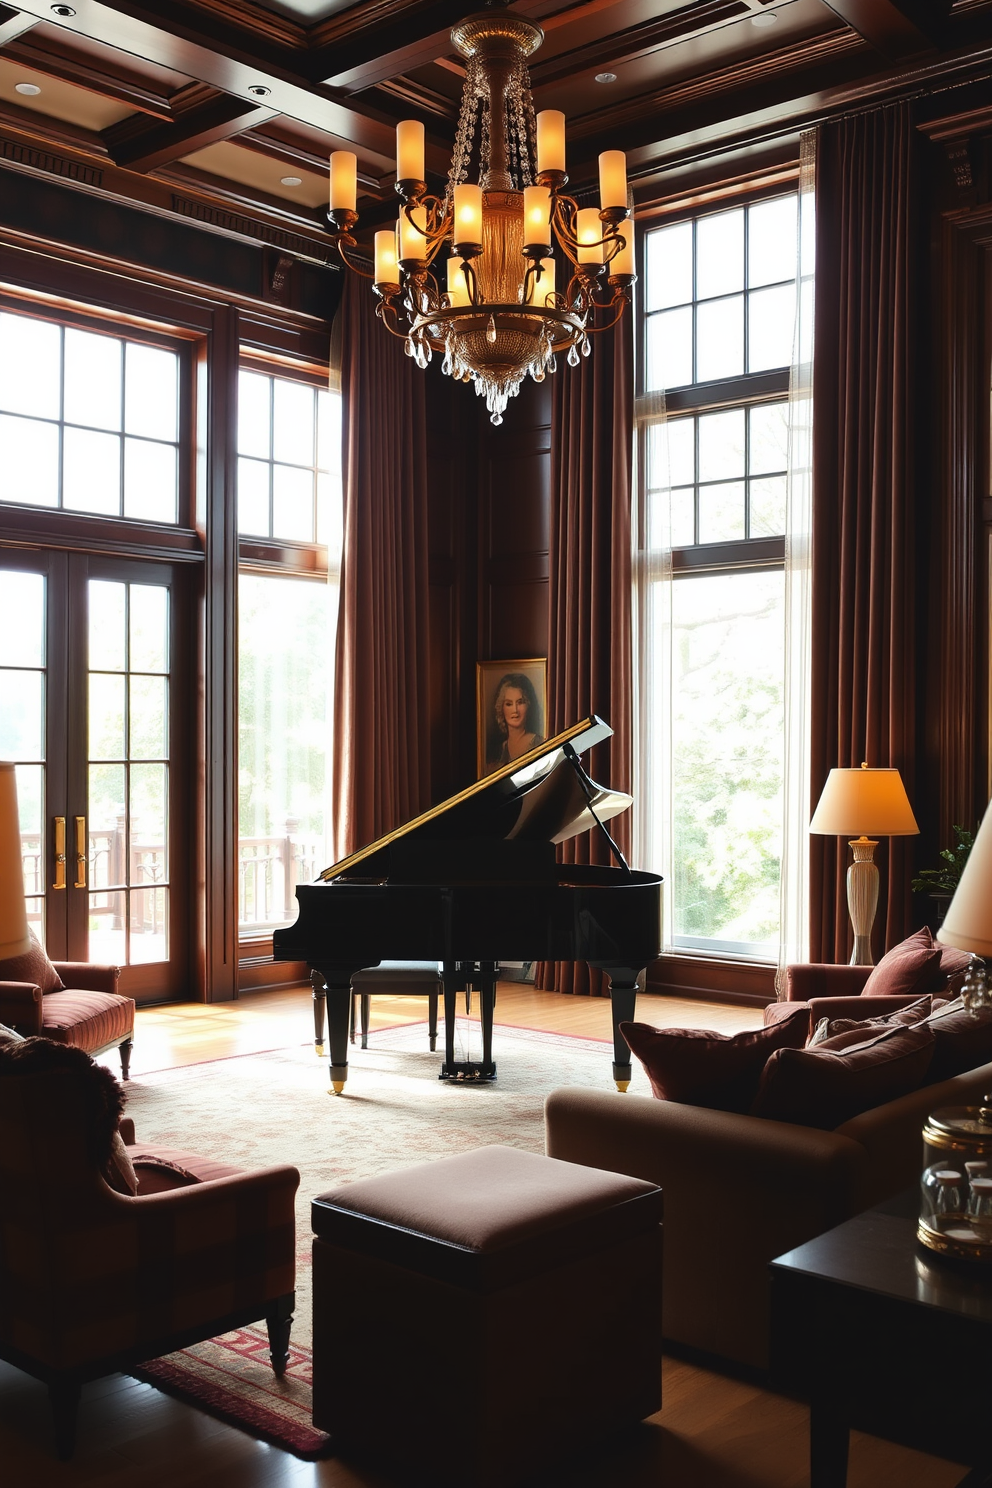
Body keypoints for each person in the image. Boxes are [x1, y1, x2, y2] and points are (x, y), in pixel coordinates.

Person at [487, 672, 545, 772]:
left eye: (520, 702)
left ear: (528, 705)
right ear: (501, 708)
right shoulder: (500, 750)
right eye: (509, 704)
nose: (515, 710)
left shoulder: (539, 743)